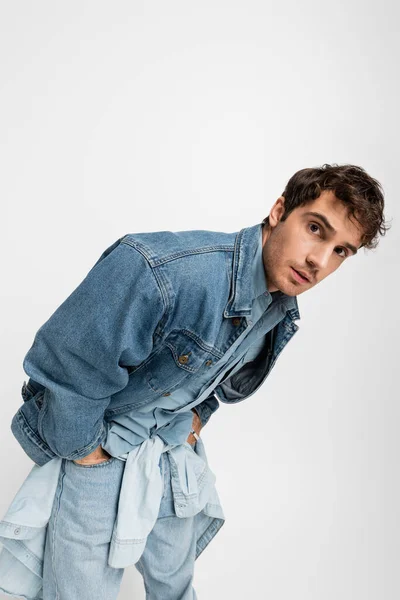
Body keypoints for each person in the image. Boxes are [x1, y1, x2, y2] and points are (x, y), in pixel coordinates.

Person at [0, 163, 387, 599]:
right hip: (103, 447)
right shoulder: (166, 270)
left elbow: (221, 369)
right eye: (316, 228)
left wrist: (196, 419)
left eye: (341, 251)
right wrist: (87, 453)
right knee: (80, 593)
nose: (319, 261)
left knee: (175, 583)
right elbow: (67, 359)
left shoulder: (281, 302)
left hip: (170, 445)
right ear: (279, 211)